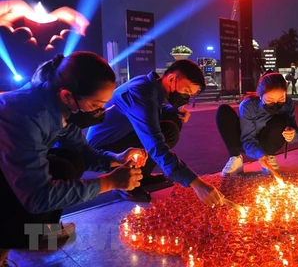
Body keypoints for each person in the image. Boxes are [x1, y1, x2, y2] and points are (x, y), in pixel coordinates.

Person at [0, 52, 146, 261]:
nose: (101, 111)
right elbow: (37, 196)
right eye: (96, 105)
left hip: (13, 167)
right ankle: (8, 246)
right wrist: (109, 182)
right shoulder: (25, 116)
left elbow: (83, 151)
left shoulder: (57, 107)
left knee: (69, 163)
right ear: (68, 96)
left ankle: (36, 235)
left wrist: (117, 158)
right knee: (45, 186)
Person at [87, 59, 224, 206]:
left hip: (120, 137)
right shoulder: (141, 92)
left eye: (190, 95)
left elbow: (151, 110)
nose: (186, 98)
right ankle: (123, 181)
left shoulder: (149, 85)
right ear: (171, 78)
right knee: (167, 130)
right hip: (103, 150)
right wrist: (196, 183)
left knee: (173, 120)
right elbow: (155, 144)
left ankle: (141, 176)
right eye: (186, 91)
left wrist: (174, 110)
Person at [216, 72, 298, 176]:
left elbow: (296, 133)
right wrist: (259, 155)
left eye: (281, 99)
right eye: (270, 100)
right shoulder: (248, 106)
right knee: (223, 111)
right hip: (245, 140)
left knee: (280, 119)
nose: (276, 105)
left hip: (268, 140)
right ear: (260, 96)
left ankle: (270, 157)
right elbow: (247, 139)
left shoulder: (287, 103)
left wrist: (292, 134)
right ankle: (235, 158)